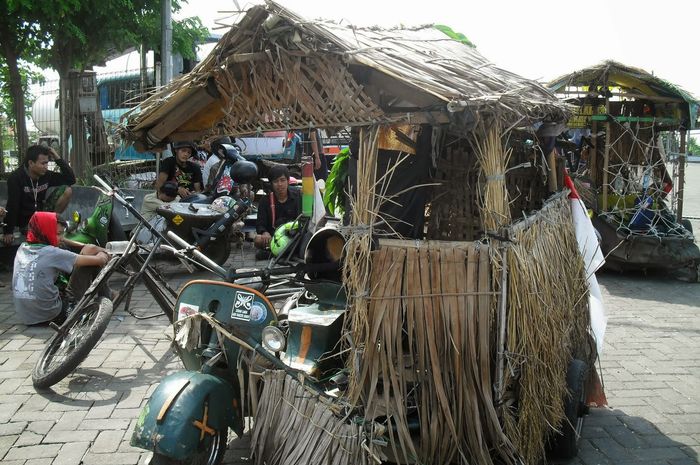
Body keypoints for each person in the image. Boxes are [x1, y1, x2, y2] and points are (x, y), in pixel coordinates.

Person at [12, 212, 110, 326]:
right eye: (58, 234)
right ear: (46, 232)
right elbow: (100, 260)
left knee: (77, 251)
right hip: (52, 315)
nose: (61, 238)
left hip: (28, 317)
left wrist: (81, 246)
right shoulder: (51, 253)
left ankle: (108, 296)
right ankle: (107, 298)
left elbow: (62, 241)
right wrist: (104, 252)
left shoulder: (22, 248)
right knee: (90, 260)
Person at [3, 145, 76, 245]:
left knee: (67, 190)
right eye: (43, 163)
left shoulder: (46, 175)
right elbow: (12, 205)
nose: (46, 166)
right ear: (31, 163)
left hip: (42, 215)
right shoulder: (16, 178)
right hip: (26, 222)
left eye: (47, 163)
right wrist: (8, 231)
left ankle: (52, 222)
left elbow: (71, 180)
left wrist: (57, 157)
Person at [255, 165, 301, 257]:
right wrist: (264, 232)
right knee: (258, 239)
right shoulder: (265, 201)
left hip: (293, 235)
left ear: (288, 181)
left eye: (282, 180)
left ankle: (273, 254)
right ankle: (285, 253)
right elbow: (260, 224)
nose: (279, 184)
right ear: (271, 184)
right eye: (276, 181)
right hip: (275, 237)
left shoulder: (297, 196)